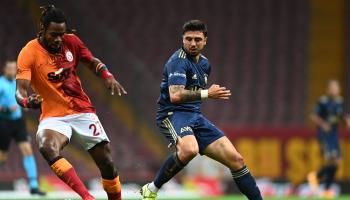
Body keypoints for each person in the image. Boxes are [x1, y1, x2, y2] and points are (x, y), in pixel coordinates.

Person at [140, 20, 262, 200]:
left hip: (194, 117)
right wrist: (207, 93)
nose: (192, 43)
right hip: (173, 114)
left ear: (205, 40)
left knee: (237, 160)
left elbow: (193, 96)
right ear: (182, 40)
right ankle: (151, 189)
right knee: (190, 150)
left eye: (197, 39)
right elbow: (175, 95)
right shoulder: (178, 62)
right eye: (188, 39)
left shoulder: (205, 64)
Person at [15, 5, 127, 200]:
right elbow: (20, 90)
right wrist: (26, 102)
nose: (58, 39)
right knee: (47, 146)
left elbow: (92, 61)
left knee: (106, 162)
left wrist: (107, 76)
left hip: (81, 110)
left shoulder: (72, 42)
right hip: (53, 115)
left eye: (61, 34)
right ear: (42, 29)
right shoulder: (29, 52)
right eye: (53, 34)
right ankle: (87, 197)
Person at [0, 61, 46, 196]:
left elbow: (22, 100)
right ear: (5, 69)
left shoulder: (18, 83)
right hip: (3, 122)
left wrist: (27, 104)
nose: (12, 71)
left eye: (14, 68)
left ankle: (33, 185)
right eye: (10, 68)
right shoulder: (1, 83)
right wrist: (6, 109)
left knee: (27, 150)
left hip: (18, 122)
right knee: (2, 155)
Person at [308, 80, 350, 198]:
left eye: (336, 88)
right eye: (332, 88)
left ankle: (324, 186)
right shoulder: (323, 101)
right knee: (332, 159)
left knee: (337, 162)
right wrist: (323, 124)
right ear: (328, 89)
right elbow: (313, 116)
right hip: (325, 136)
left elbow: (341, 115)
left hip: (334, 136)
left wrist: (346, 120)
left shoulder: (340, 101)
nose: (334, 90)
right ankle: (316, 177)